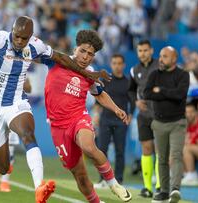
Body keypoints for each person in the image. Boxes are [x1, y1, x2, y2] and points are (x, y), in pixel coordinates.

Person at [0, 16, 110, 203]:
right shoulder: (0, 39)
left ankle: (39, 187)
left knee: (28, 133)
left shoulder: (36, 45)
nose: (20, 41)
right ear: (12, 31)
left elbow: (62, 59)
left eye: (24, 38)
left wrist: (89, 74)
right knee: (3, 167)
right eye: (17, 37)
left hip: (16, 102)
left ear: (30, 37)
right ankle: (1, 167)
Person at [44, 30, 132, 203]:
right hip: (58, 127)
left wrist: (116, 108)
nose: (85, 57)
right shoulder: (56, 61)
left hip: (78, 117)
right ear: (75, 48)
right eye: (83, 51)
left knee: (88, 146)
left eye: (90, 54)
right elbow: (35, 54)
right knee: (80, 176)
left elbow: (99, 94)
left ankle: (114, 184)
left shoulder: (90, 73)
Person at [143, 46, 189, 203]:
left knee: (176, 155)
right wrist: (168, 93)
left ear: (174, 58)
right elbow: (146, 94)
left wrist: (160, 91)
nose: (161, 59)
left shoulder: (183, 75)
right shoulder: (154, 74)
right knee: (161, 158)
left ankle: (175, 189)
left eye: (165, 57)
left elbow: (180, 95)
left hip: (178, 122)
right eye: (160, 56)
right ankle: (163, 191)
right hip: (159, 122)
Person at [94, 54, 135, 187]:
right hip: (105, 120)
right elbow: (98, 99)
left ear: (123, 65)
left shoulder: (128, 82)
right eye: (114, 63)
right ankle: (103, 180)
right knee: (102, 151)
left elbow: (132, 101)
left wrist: (130, 115)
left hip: (120, 122)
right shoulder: (105, 81)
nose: (117, 66)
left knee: (120, 151)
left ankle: (119, 180)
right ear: (111, 65)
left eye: (119, 63)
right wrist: (95, 115)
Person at [0, 78, 32, 193]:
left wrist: (20, 84)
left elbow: (29, 88)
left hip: (13, 110)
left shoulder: (21, 67)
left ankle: (5, 181)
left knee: (11, 148)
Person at [128, 39, 160, 197]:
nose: (143, 53)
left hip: (161, 114)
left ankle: (160, 186)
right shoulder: (134, 70)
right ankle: (147, 188)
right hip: (144, 116)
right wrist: (136, 101)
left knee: (160, 149)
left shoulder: (161, 66)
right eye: (140, 51)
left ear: (152, 51)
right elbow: (131, 90)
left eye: (145, 50)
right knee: (146, 149)